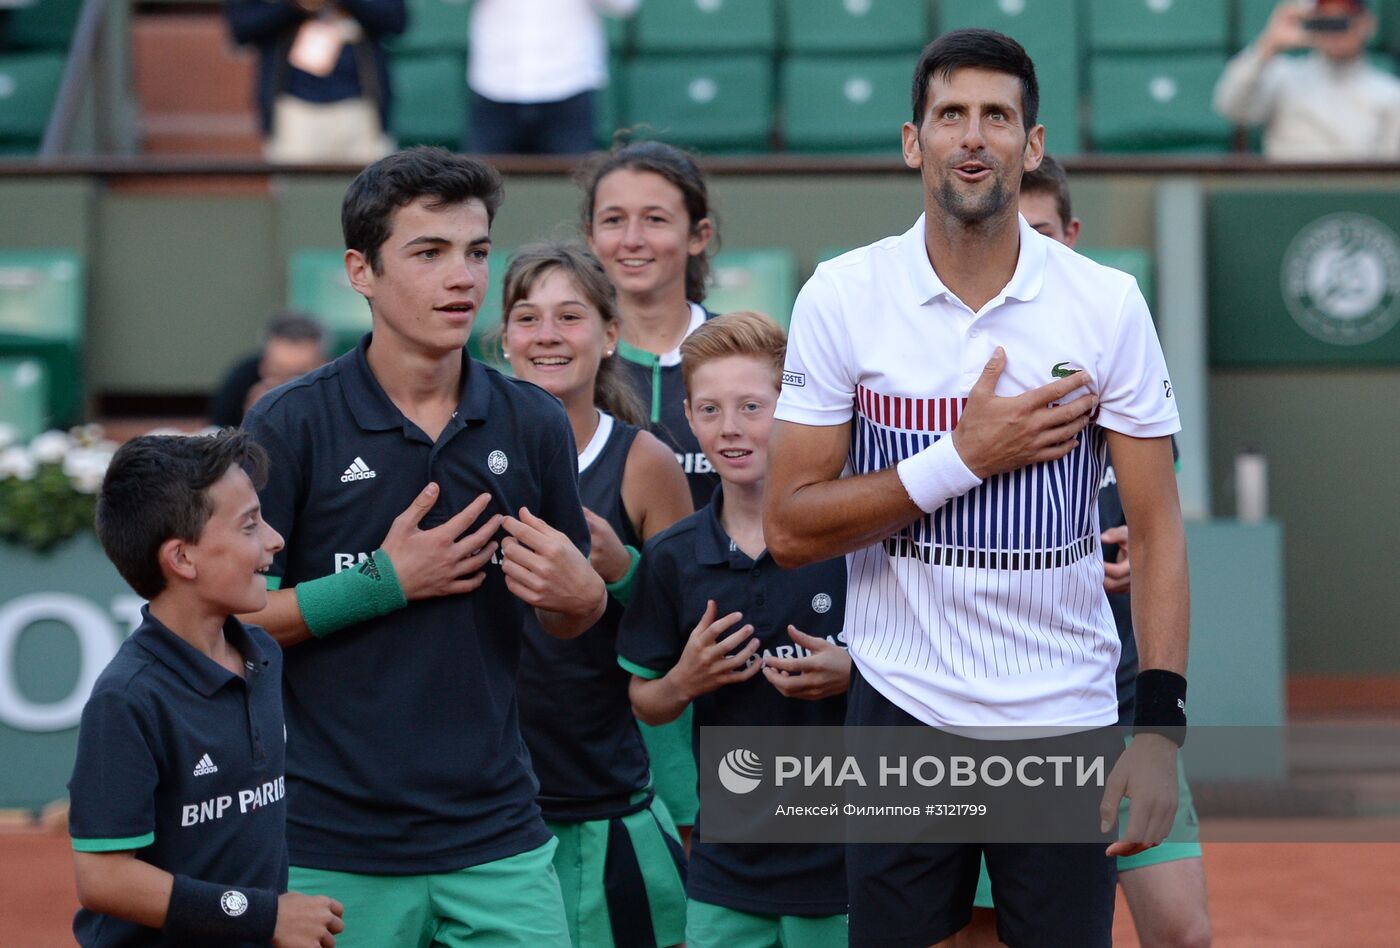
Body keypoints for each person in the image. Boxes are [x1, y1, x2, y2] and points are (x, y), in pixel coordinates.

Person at [764, 30, 1190, 948]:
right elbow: (791, 528)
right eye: (950, 114)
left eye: (997, 116)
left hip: (1066, 719)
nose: (973, 136)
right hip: (901, 712)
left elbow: (1156, 532)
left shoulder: (1107, 303)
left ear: (1031, 146)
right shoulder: (842, 295)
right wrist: (961, 456)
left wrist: (1157, 727)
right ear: (912, 141)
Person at [240, 147, 608, 947]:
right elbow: (234, 626)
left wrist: (584, 600)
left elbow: (568, 617)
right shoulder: (289, 424)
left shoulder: (534, 423)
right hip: (333, 846)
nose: (464, 278)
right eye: (429, 252)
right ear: (360, 271)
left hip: (500, 836)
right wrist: (383, 582)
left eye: (477, 252)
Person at [950, 156, 1213, 948]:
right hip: (1005, 721)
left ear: (1071, 237)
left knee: (1183, 931)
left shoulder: (1118, 348)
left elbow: (1160, 526)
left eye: (1037, 235)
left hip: (1123, 705)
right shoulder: (960, 382)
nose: (1019, 253)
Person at [618, 312, 851, 948]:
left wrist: (853, 674)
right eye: (711, 410)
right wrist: (685, 680)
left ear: (793, 408)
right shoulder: (672, 557)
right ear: (689, 418)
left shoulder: (856, 541)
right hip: (725, 874)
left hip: (847, 870)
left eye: (752, 406)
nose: (731, 428)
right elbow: (646, 701)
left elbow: (922, 680)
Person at [69, 430, 343, 947]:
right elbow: (103, 879)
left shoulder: (264, 654)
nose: (275, 539)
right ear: (183, 559)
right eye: (250, 525)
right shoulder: (127, 699)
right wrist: (263, 916)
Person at [499, 242, 693, 948]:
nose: (547, 334)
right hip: (486, 811)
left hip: (607, 796)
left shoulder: (645, 461)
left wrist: (623, 573)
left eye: (570, 316)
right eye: (528, 317)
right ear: (504, 339)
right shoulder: (461, 457)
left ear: (611, 335)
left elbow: (687, 632)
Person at [578, 138, 723, 841]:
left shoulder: (752, 359)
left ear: (698, 236)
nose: (632, 240)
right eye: (613, 220)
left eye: (655, 219)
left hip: (734, 677)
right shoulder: (559, 375)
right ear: (589, 237)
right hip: (599, 689)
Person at [1214, 0, 1400, 161]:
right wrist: (1267, 45)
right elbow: (1231, 106)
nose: (1333, 30)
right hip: (1288, 193)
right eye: (1324, 21)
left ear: (1366, 24)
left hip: (1358, 196)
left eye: (1342, 21)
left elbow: (1389, 172)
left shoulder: (1390, 93)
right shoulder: (1281, 75)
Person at [225, 0, 404, 164]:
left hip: (361, 104)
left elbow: (396, 20)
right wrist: (294, 5)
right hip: (293, 105)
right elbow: (242, 27)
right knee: (301, 192)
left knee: (369, 193)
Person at [466, 0, 639, 155]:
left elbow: (624, 5)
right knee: (476, 185)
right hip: (494, 87)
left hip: (570, 86)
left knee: (574, 187)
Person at [208, 312, 328, 428]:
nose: (289, 384)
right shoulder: (243, 378)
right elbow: (220, 428)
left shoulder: (335, 385)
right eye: (279, 370)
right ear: (263, 364)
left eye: (301, 374)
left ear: (323, 364)